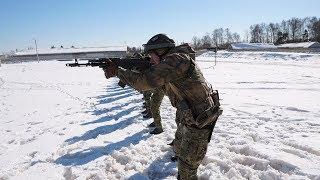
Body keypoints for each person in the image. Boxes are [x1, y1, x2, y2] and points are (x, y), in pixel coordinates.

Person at [103, 34, 222, 179]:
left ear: (161, 51)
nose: (150, 59)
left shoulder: (177, 60)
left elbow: (144, 83)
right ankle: (180, 154)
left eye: (152, 55)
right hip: (188, 113)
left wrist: (118, 71)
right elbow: (155, 82)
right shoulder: (171, 62)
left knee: (187, 170)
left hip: (200, 118)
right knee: (179, 143)